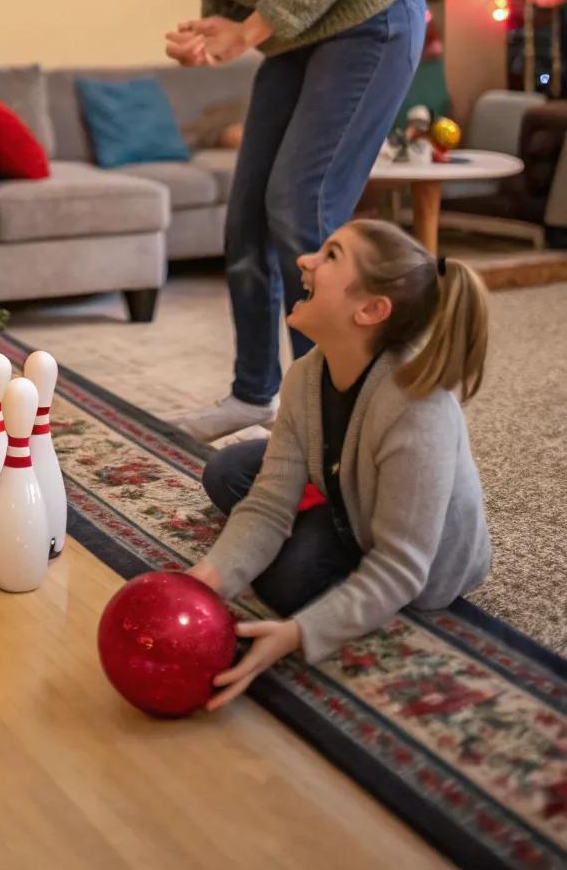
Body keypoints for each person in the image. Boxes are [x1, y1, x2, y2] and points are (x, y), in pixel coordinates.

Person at [72, 0, 426, 438]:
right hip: (300, 34)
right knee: (245, 222)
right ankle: (252, 395)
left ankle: (333, 412)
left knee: (301, 206)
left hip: (371, 19)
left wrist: (249, 32)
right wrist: (215, 28)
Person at [188, 218, 491, 708]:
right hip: (353, 494)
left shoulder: (419, 410)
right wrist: (207, 580)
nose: (304, 261)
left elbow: (400, 566)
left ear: (371, 309)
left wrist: (297, 635)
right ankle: (325, 506)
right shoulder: (307, 375)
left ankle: (326, 523)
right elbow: (266, 505)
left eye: (330, 256)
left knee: (288, 583)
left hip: (427, 569)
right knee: (227, 472)